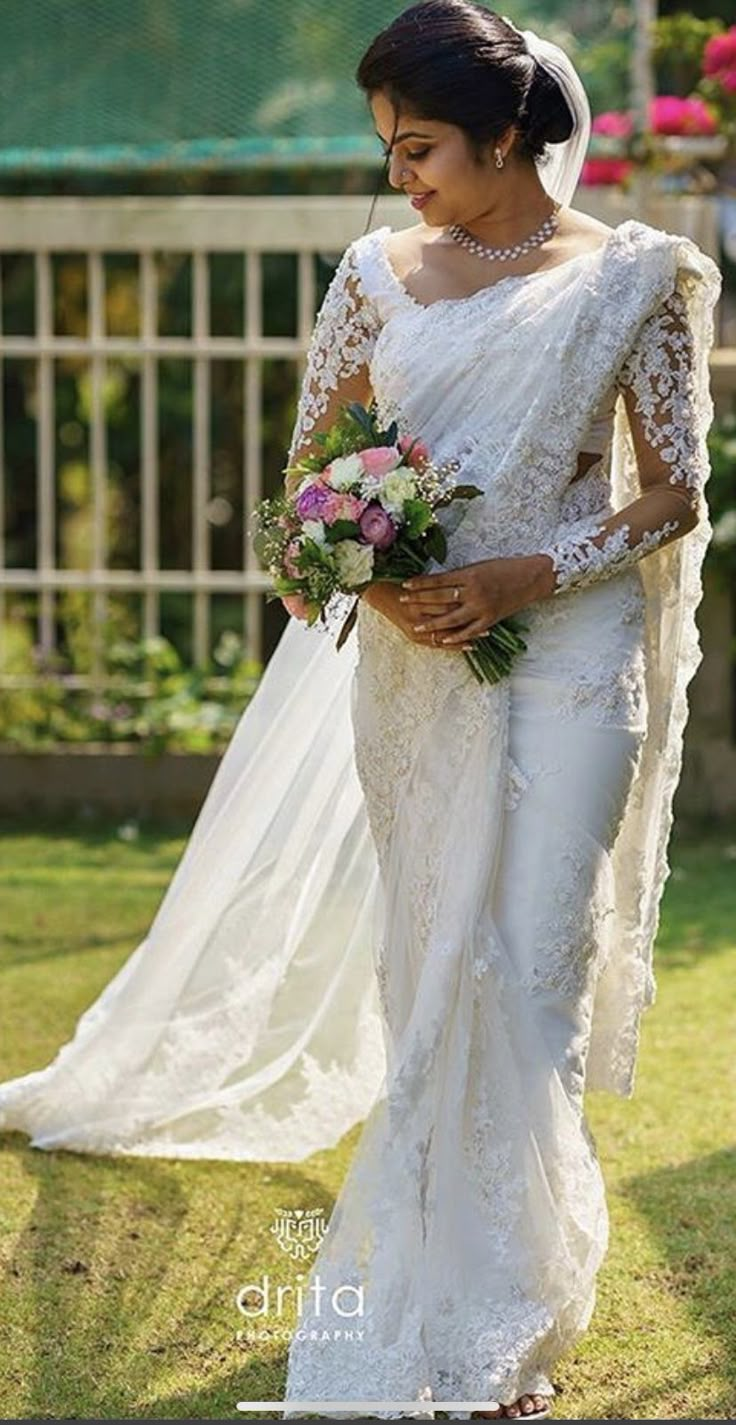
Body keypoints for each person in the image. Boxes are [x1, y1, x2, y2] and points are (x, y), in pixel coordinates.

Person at [0, 1, 722, 1419]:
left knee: (527, 974)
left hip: (571, 649)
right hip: (413, 666)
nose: (403, 177)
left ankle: (507, 1319)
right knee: (435, 963)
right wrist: (376, 585)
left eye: (425, 147)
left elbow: (675, 489)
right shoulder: (373, 275)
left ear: (511, 135)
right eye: (390, 149)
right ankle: (436, 1287)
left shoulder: (643, 278)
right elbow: (309, 492)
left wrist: (531, 570)